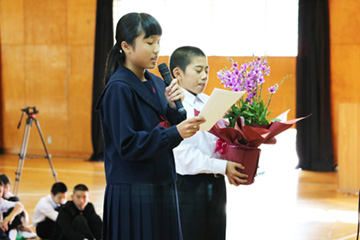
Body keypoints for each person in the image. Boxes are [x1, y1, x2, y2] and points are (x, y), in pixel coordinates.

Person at [97, 12, 205, 240]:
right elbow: (128, 144)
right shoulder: (119, 88)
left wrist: (173, 109)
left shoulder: (157, 82)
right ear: (126, 47)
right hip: (133, 191)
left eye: (158, 42)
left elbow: (164, 122)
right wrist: (175, 132)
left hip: (161, 183)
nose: (156, 49)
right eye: (149, 42)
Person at [170, 46, 249, 240]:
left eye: (207, 70)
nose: (204, 76)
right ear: (178, 73)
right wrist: (223, 166)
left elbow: (220, 142)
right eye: (198, 70)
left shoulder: (208, 101)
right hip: (189, 186)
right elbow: (184, 157)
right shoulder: (174, 107)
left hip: (216, 182)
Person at [0, 174, 37, 239]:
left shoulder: (4, 199)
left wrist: (9, 217)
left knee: (16, 211)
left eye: (0, 191)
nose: (6, 190)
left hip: (6, 224)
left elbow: (20, 206)